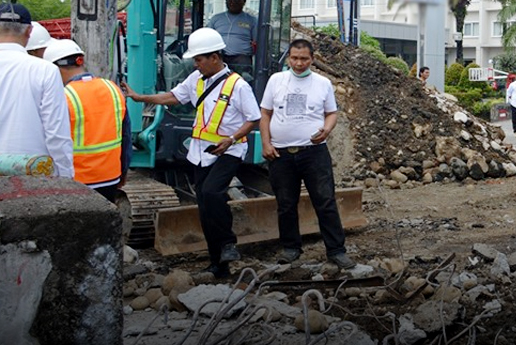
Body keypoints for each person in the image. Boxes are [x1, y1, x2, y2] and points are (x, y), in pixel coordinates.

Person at [122, 27, 260, 279]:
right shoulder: (196, 79)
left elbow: (253, 119)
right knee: (205, 206)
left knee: (211, 192)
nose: (196, 64)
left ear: (215, 58)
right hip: (201, 151)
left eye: (199, 59)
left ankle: (228, 243)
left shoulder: (238, 85)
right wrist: (139, 97)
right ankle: (218, 262)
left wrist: (231, 139)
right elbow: (173, 97)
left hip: (229, 150)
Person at [258, 38, 356, 270]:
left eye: (304, 59)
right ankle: (291, 248)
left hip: (313, 153)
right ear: (288, 58)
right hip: (280, 154)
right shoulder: (276, 80)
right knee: (285, 203)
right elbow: (265, 114)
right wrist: (266, 143)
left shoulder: (322, 83)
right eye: (294, 58)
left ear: (312, 59)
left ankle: (336, 250)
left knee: (325, 201)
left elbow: (331, 113)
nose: (298, 63)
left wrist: (327, 129)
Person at [44, 39, 131, 202]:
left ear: (55, 68)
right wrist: (123, 172)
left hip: (78, 181)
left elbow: (54, 141)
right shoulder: (112, 88)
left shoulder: (63, 96)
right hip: (110, 177)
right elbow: (126, 137)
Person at [0, 3, 74, 178]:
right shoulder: (44, 70)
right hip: (32, 176)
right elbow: (56, 133)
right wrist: (66, 176)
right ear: (29, 31)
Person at [208, 0, 257, 67]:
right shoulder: (216, 18)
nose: (233, 2)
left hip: (241, 57)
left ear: (244, 1)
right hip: (219, 56)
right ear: (226, 0)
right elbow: (208, 38)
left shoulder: (252, 20)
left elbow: (256, 42)